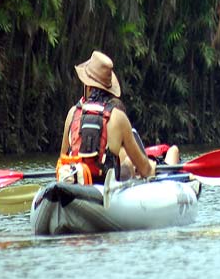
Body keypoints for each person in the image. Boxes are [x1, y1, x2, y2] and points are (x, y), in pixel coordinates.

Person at [59, 50, 179, 183]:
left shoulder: (72, 113)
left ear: (87, 86)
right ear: (108, 89)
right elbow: (145, 170)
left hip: (76, 182)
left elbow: (62, 161)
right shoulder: (119, 118)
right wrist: (152, 167)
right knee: (129, 163)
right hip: (104, 187)